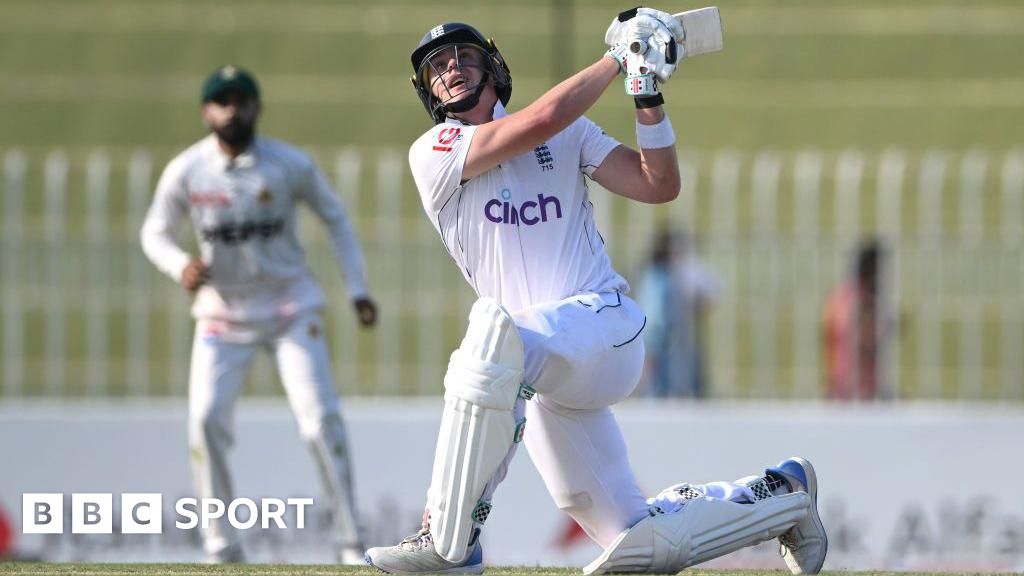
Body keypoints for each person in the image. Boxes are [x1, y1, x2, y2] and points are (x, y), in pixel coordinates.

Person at [365, 9, 827, 575]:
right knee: (639, 542)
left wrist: (644, 90)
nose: (453, 69)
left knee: (492, 336)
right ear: (428, 90)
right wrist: (617, 56)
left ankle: (447, 541)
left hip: (602, 329)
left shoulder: (570, 134)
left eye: (465, 57)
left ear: (494, 68)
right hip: (536, 373)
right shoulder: (433, 152)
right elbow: (533, 124)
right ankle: (783, 494)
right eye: (438, 66)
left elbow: (660, 185)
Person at [140, 65, 377, 564]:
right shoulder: (188, 171)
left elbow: (335, 218)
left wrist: (357, 288)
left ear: (257, 108)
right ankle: (221, 545)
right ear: (206, 111)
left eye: (242, 100)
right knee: (205, 419)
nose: (232, 110)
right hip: (223, 315)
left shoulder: (287, 165)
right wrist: (180, 265)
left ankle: (350, 541)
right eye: (222, 101)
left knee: (319, 421)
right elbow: (153, 233)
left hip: (291, 306)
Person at [637, 228, 719, 398]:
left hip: (673, 343)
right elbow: (654, 319)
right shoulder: (658, 278)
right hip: (663, 345)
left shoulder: (662, 275)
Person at [823, 238, 894, 401]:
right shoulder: (862, 302)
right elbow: (863, 341)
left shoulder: (839, 296)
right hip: (860, 393)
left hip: (839, 387)